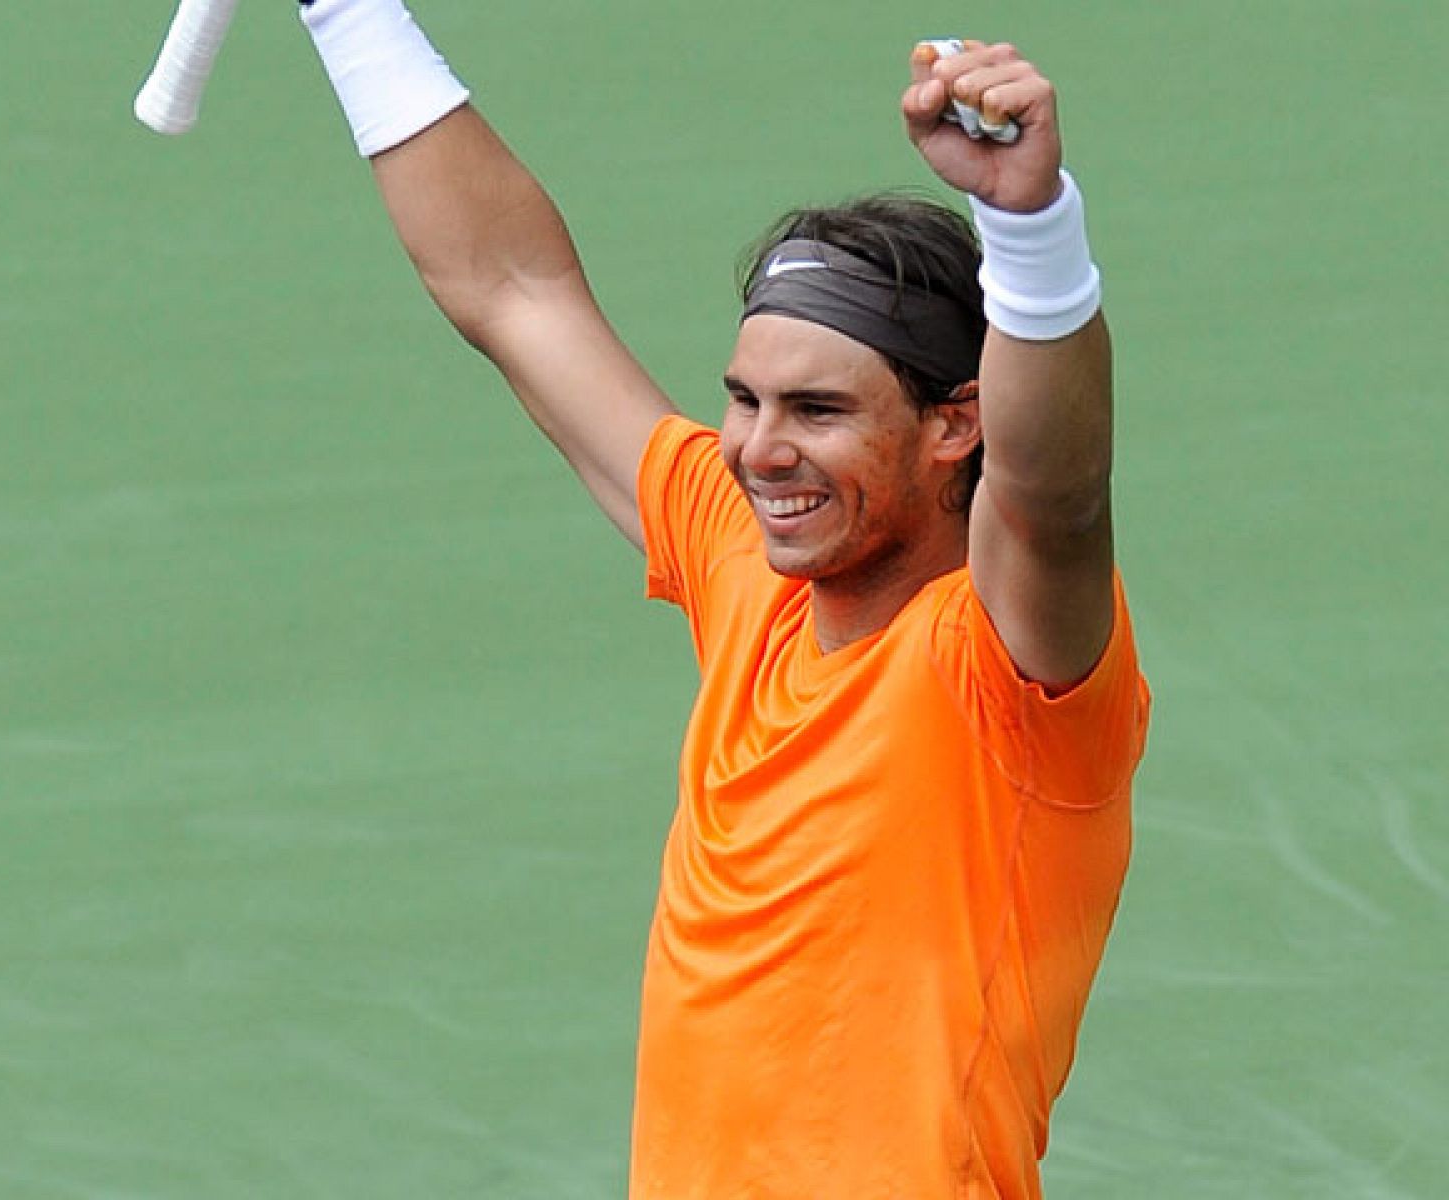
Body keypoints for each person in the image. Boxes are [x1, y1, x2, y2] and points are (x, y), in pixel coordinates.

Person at [296, 3, 1150, 1196]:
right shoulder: (742, 564)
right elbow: (511, 290)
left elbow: (1054, 492)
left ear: (957, 425)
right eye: (745, 400)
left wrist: (1029, 228)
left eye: (819, 411)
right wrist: (344, 12)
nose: (758, 450)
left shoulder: (1006, 668)